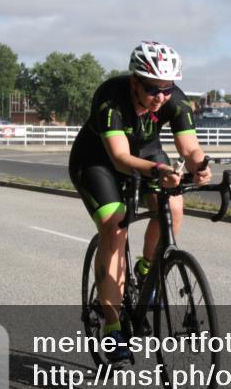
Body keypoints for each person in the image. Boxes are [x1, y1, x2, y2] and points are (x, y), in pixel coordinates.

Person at [69, 41, 211, 362]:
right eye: (151, 89)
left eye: (167, 89)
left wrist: (200, 166)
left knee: (172, 208)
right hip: (98, 162)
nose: (160, 97)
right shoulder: (110, 99)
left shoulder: (173, 100)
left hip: (147, 154)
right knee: (115, 227)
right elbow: (119, 158)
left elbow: (189, 148)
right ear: (135, 81)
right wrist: (159, 170)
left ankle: (148, 269)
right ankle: (112, 325)